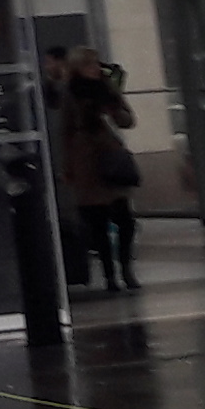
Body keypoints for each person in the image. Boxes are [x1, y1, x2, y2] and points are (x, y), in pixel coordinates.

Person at [60, 58, 142, 292]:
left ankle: (126, 267)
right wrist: (68, 167)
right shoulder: (72, 93)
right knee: (98, 224)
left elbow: (128, 120)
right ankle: (110, 276)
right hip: (86, 162)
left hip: (110, 159)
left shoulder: (109, 91)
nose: (95, 70)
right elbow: (65, 132)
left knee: (125, 221)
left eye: (96, 66)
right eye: (88, 66)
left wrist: (114, 110)